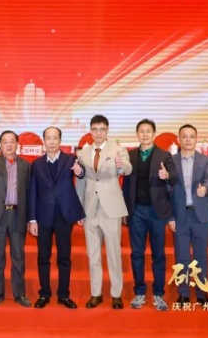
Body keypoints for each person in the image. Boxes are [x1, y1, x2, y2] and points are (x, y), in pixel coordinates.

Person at [75, 114, 132, 309]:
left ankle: (116, 294)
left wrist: (121, 166)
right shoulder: (83, 153)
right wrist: (79, 209)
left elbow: (128, 169)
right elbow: (81, 182)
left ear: (107, 130)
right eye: (95, 129)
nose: (98, 133)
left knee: (114, 254)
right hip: (90, 209)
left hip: (111, 208)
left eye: (102, 129)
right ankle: (96, 293)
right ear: (90, 131)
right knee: (93, 254)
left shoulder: (118, 149)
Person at [28, 126, 85, 309]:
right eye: (48, 138)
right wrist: (32, 219)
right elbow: (32, 192)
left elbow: (81, 172)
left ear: (60, 140)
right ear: (44, 141)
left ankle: (64, 295)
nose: (52, 142)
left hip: (63, 216)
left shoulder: (71, 159)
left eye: (55, 138)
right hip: (43, 217)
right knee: (43, 257)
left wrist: (79, 171)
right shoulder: (37, 164)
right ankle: (44, 294)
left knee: (64, 257)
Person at [123, 119, 177, 311]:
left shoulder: (164, 155)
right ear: (137, 134)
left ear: (154, 134)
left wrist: (167, 176)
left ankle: (158, 294)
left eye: (148, 131)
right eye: (141, 131)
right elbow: (126, 185)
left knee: (158, 254)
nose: (145, 135)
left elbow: (175, 177)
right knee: (137, 253)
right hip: (136, 211)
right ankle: (139, 292)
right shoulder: (130, 155)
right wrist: (125, 211)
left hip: (157, 212)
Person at [0, 130, 32, 307]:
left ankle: (19, 294)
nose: (9, 145)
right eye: (5, 142)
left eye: (12, 141)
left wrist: (31, 218)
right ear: (0, 145)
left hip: (18, 214)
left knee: (18, 256)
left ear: (17, 145)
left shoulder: (26, 165)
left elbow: (29, 193)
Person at [169, 123, 208, 307]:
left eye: (192, 136)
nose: (188, 140)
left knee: (201, 256)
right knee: (181, 256)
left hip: (200, 215)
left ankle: (202, 293)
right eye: (184, 136)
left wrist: (206, 188)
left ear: (196, 139)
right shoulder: (171, 161)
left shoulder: (205, 160)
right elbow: (166, 191)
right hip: (180, 216)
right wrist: (170, 217)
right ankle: (184, 294)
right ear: (178, 139)